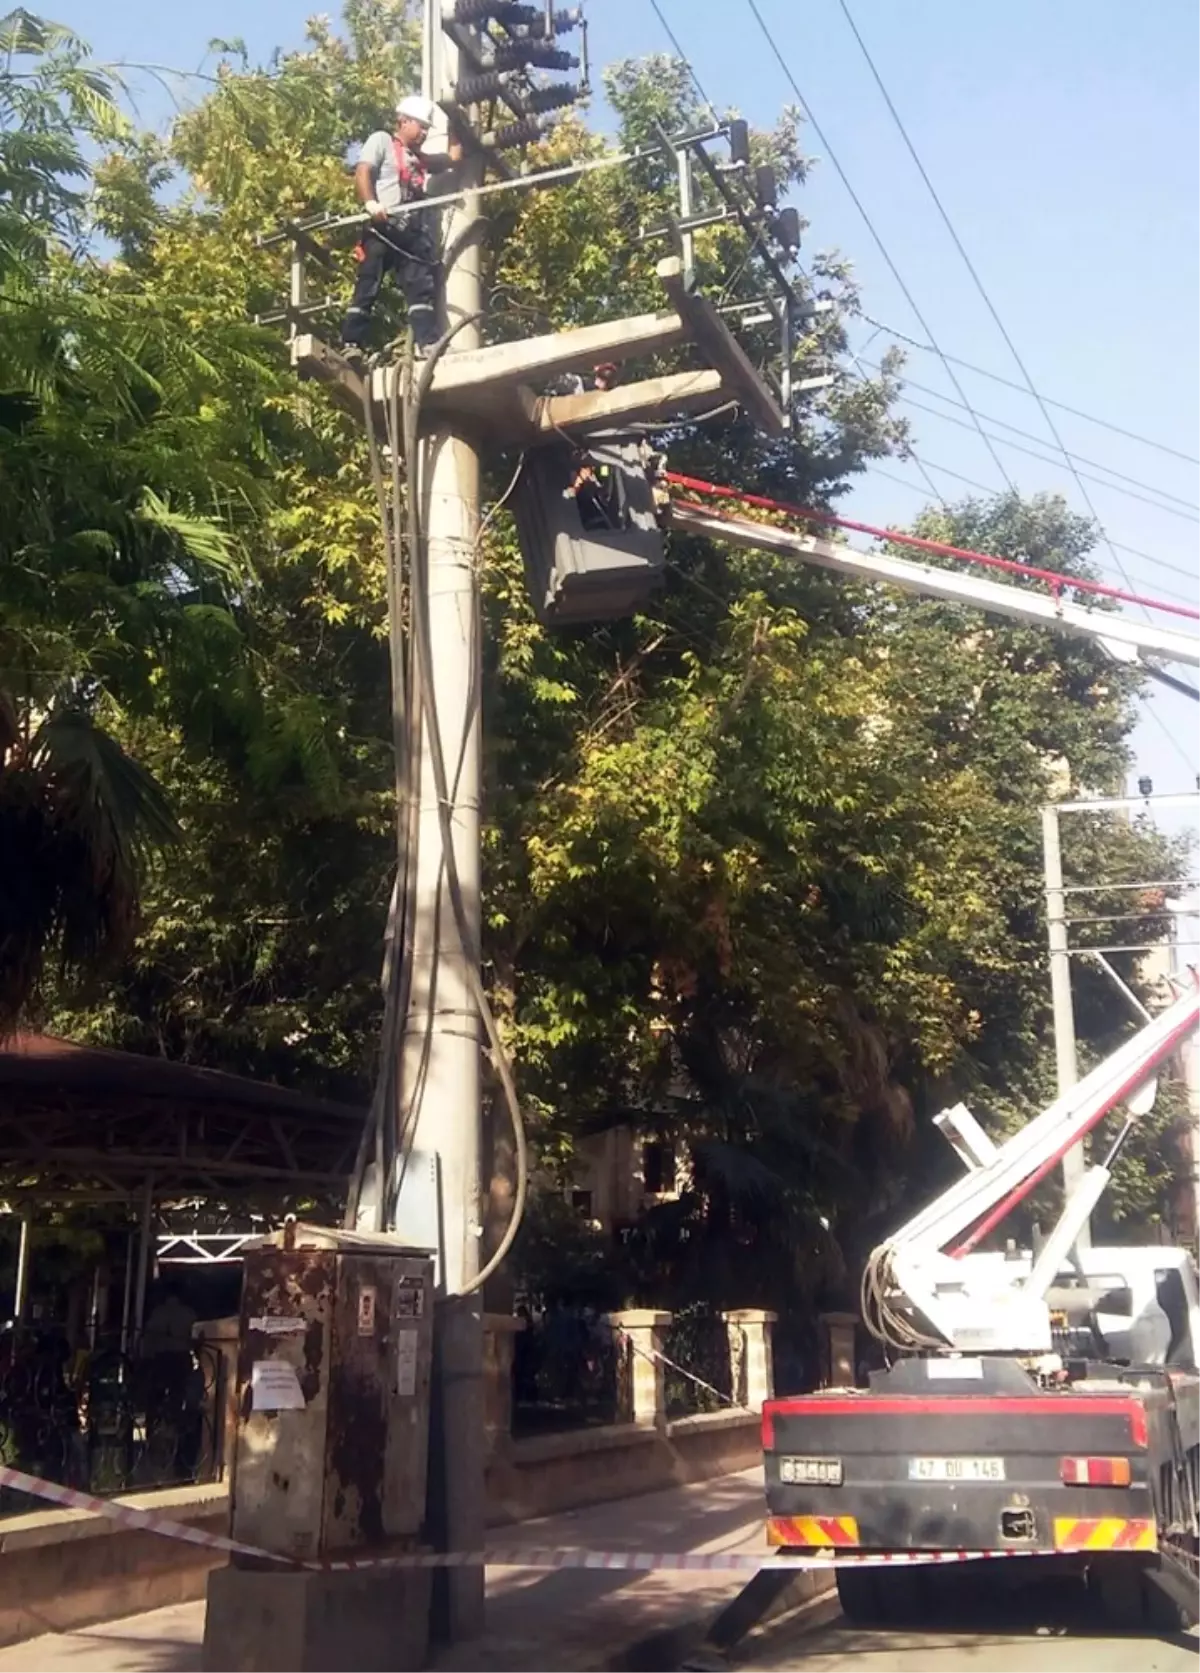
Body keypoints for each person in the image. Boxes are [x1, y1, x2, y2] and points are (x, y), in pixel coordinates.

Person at [340, 96, 461, 360]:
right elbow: (363, 172)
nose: (425, 133)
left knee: (421, 287)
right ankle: (352, 342)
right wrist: (371, 203)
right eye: (421, 126)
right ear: (404, 121)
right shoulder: (382, 141)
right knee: (368, 284)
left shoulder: (420, 159)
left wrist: (455, 123)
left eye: (428, 128)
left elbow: (453, 157)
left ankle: (426, 343)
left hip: (410, 234)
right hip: (383, 227)